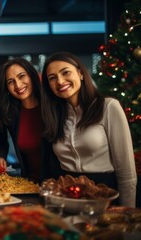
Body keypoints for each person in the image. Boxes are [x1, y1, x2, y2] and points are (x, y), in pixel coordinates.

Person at [40, 51, 137, 207]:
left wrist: (127, 211)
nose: (60, 81)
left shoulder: (108, 107)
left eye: (65, 73)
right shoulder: (54, 117)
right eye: (52, 78)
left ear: (81, 74)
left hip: (105, 196)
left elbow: (126, 172)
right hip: (67, 197)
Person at [0, 58, 61, 183]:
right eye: (11, 82)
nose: (18, 85)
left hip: (58, 186)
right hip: (30, 186)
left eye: (21, 76)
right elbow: (2, 139)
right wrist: (1, 156)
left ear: (32, 76)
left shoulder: (53, 106)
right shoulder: (11, 115)